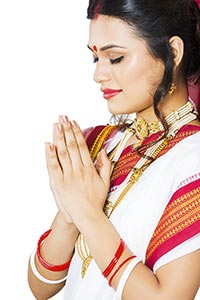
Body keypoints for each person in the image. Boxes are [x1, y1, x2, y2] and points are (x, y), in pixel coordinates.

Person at [28, 1, 200, 299]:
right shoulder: (101, 144)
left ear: (173, 52)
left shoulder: (192, 159)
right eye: (96, 58)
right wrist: (69, 216)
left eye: (115, 58)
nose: (99, 75)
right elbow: (41, 287)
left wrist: (87, 213)